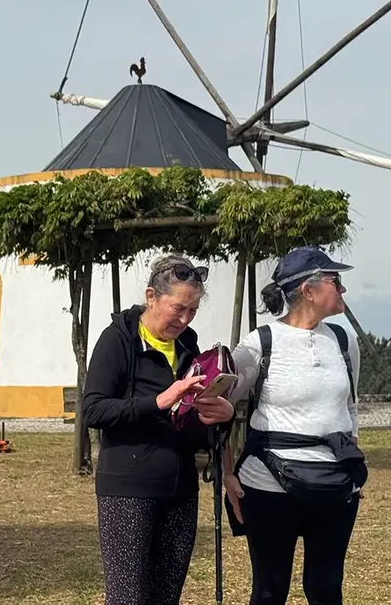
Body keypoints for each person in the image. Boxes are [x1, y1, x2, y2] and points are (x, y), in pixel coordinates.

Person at [80, 253, 236, 605]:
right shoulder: (118, 340)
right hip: (128, 490)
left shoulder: (188, 346)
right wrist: (159, 401)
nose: (184, 318)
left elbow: (187, 425)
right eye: (178, 308)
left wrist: (219, 415)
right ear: (152, 297)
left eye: (193, 310)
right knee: (128, 599)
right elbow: (93, 409)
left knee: (166, 598)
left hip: (180, 490)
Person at [222, 245, 364, 605]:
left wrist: (354, 468)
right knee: (270, 591)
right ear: (309, 290)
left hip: (335, 488)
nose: (343, 289)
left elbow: (351, 408)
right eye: (336, 281)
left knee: (327, 589)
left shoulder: (346, 342)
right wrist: (227, 473)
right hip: (268, 487)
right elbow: (218, 407)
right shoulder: (260, 344)